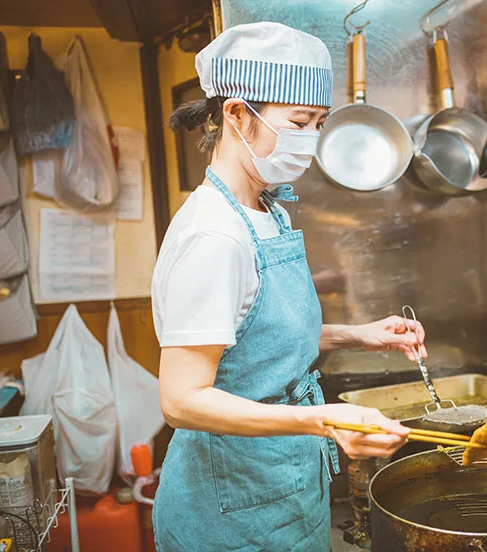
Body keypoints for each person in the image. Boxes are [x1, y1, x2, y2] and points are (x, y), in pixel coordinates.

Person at [150, 22, 424, 551]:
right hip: (231, 501)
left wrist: (357, 335)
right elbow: (181, 399)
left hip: (281, 479)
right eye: (299, 121)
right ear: (235, 114)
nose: (311, 140)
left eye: (318, 123)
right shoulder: (215, 234)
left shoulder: (266, 208)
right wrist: (322, 419)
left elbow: (255, 340)